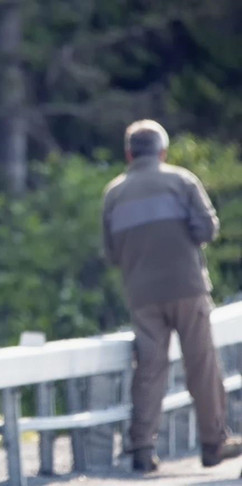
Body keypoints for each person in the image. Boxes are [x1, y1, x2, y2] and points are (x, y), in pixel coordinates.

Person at [101, 119, 242, 473]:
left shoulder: (114, 193)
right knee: (202, 364)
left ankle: (142, 450)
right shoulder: (182, 180)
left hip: (142, 294)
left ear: (129, 154)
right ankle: (213, 443)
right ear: (162, 151)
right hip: (187, 288)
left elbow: (112, 253)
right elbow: (207, 228)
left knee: (149, 370)